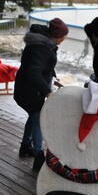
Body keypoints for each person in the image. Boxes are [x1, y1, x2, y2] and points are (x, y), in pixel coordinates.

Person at [14, 18, 68, 171]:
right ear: (57, 36)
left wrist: (52, 74)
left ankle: (25, 146)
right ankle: (39, 157)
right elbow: (33, 72)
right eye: (63, 36)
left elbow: (42, 64)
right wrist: (48, 91)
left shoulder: (45, 43)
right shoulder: (42, 47)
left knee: (34, 116)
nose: (64, 39)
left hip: (31, 88)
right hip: (29, 90)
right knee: (37, 118)